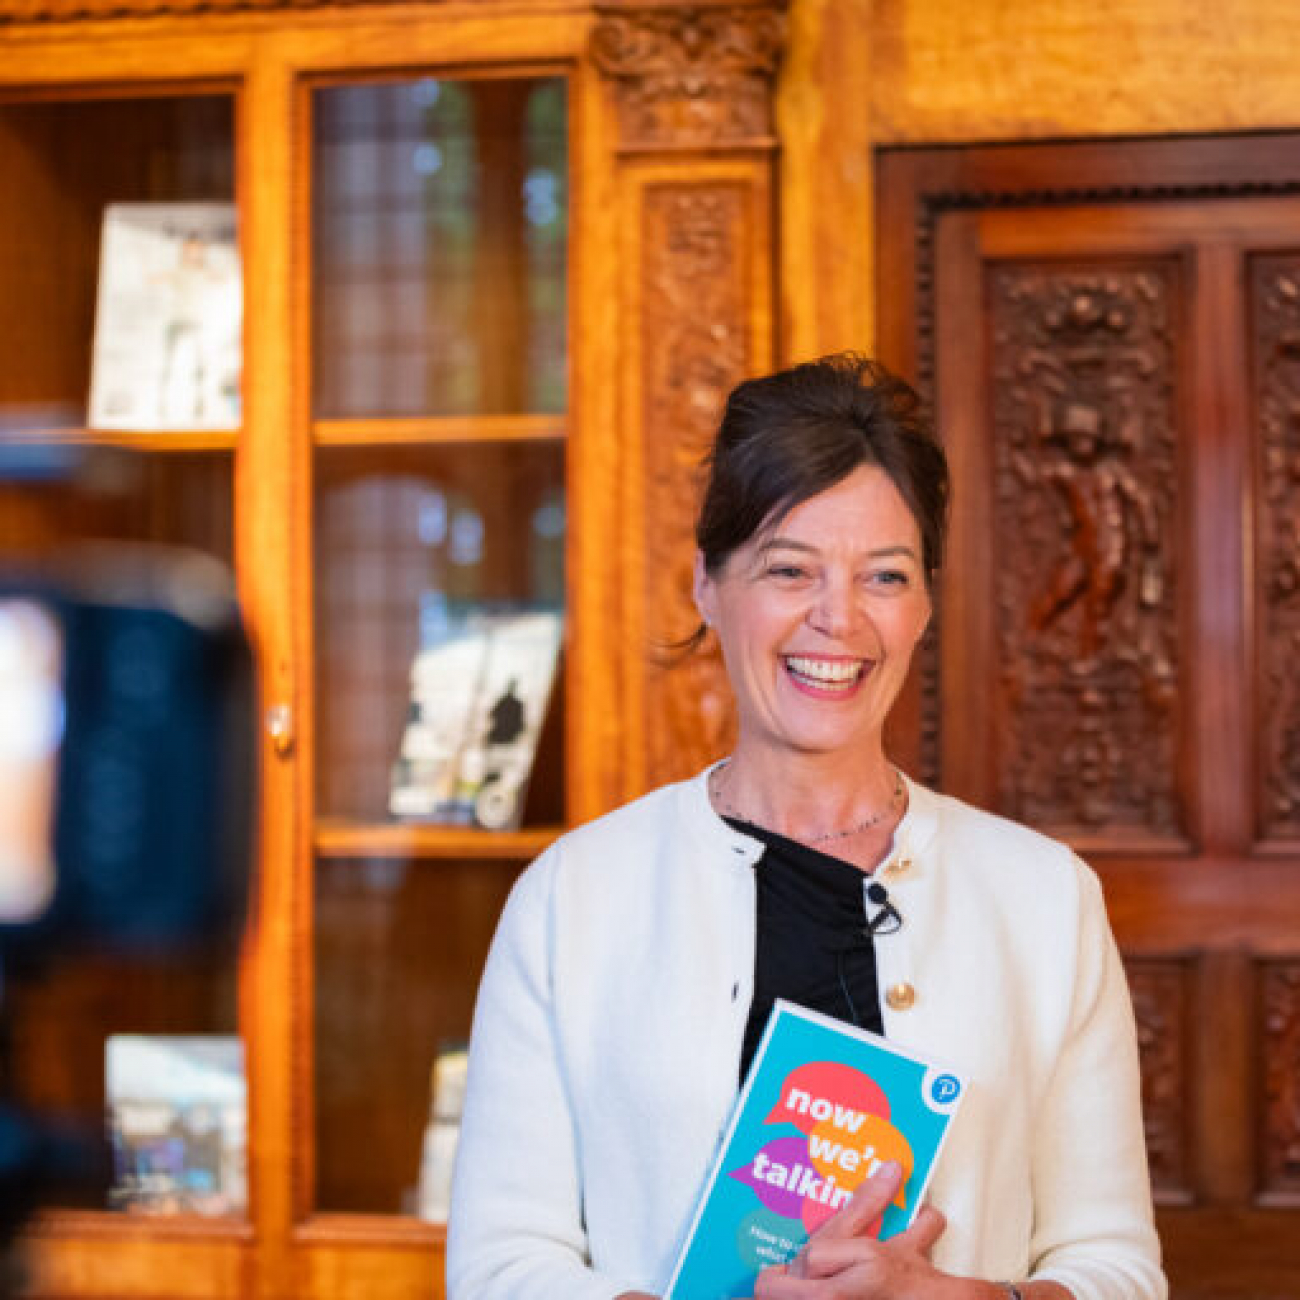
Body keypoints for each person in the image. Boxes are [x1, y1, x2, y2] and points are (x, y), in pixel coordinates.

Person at [446, 354, 1166, 1300]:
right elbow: (499, 1269)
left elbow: (1118, 1269)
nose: (839, 619)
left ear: (924, 604)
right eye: (790, 569)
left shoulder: (1045, 898)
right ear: (709, 584)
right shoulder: (573, 896)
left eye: (885, 576)